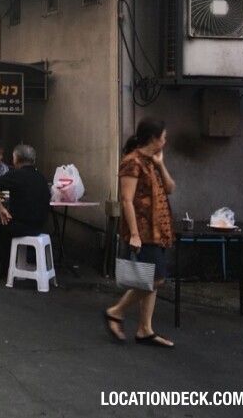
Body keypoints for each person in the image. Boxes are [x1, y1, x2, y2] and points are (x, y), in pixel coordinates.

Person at [103, 118, 176, 348]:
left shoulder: (151, 161)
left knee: (148, 279)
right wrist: (134, 234)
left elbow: (170, 188)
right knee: (154, 280)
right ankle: (116, 311)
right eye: (163, 136)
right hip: (143, 231)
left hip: (159, 230)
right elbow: (126, 200)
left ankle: (145, 328)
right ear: (154, 139)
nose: (165, 140)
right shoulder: (132, 162)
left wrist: (161, 164)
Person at [0, 144, 51, 278]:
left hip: (21, 225)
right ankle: (14, 262)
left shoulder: (15, 175)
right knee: (3, 225)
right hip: (39, 226)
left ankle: (5, 266)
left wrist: (1, 209)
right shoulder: (42, 178)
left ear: (16, 159)